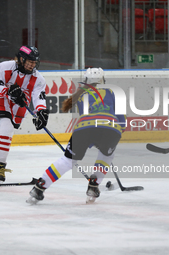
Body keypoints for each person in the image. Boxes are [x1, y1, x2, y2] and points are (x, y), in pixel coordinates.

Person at [27, 67, 126, 204]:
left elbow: (88, 119)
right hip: (110, 128)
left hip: (84, 129)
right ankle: (93, 185)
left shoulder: (80, 95)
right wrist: (115, 134)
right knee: (107, 155)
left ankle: (39, 187)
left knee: (68, 160)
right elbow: (122, 120)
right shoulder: (112, 92)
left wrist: (92, 139)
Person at [0, 45, 49, 183]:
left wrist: (41, 112)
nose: (32, 65)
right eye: (30, 62)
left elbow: (38, 98)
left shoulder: (38, 79)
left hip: (19, 108)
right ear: (21, 60)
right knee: (7, 129)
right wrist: (9, 91)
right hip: (0, 101)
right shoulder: (3, 67)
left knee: (3, 136)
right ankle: (0, 166)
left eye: (34, 62)